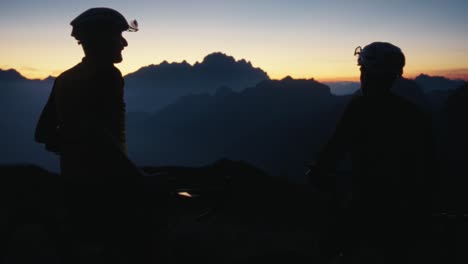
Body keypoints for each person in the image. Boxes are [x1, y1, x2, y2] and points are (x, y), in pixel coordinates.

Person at [34, 7, 153, 263]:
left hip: (75, 185)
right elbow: (101, 137)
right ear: (100, 40)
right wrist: (139, 177)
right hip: (109, 188)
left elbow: (43, 133)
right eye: (117, 36)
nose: (124, 43)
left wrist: (73, 147)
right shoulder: (109, 75)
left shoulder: (65, 78)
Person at [308, 42, 437, 263]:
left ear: (368, 74)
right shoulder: (413, 114)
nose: (360, 76)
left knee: (332, 245)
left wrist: (318, 172)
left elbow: (335, 149)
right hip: (409, 212)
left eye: (362, 70)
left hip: (368, 205)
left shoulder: (360, 109)